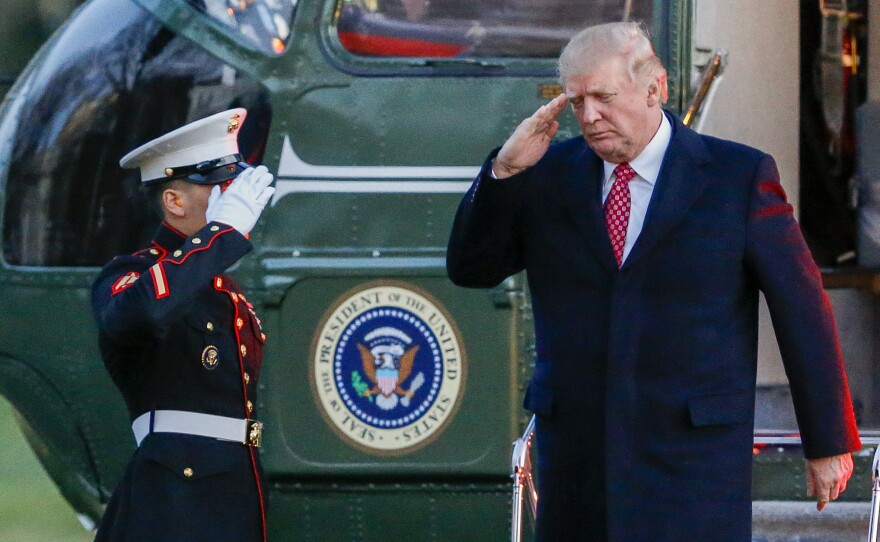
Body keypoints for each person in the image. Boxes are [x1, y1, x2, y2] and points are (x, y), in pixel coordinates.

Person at [446, 22, 860, 541]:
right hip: (579, 461)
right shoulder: (546, 174)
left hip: (692, 463)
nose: (589, 116)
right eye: (575, 101)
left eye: (603, 96)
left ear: (655, 88)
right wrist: (504, 173)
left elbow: (801, 309)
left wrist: (827, 441)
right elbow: (470, 268)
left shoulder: (736, 176)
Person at [91, 108, 275, 542]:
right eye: (221, 186)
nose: (236, 196)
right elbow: (140, 313)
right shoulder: (130, 275)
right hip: (174, 499)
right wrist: (222, 234)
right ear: (175, 201)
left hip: (233, 488)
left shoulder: (221, 289)